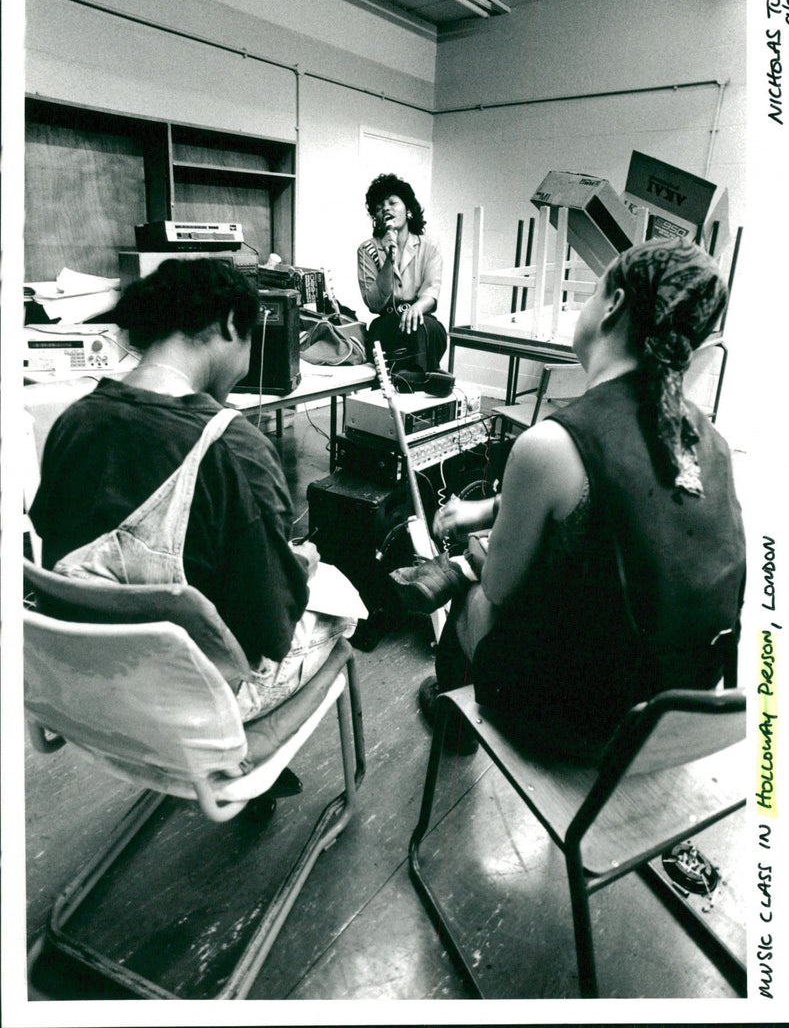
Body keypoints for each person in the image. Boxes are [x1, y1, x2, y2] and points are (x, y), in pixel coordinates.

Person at [392, 237, 746, 759]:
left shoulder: (549, 445)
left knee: (475, 595)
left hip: (587, 727)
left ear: (613, 305)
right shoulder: (707, 440)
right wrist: (489, 509)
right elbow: (620, 505)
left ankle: (454, 725)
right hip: (683, 719)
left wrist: (483, 553)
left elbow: (501, 589)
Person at [30, 257, 357, 729]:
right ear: (229, 323)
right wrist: (298, 568)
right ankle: (244, 765)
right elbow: (270, 631)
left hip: (83, 687)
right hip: (189, 706)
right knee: (340, 604)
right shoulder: (237, 448)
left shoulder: (73, 421)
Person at [357, 173, 448, 382]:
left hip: (421, 320)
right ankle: (426, 381)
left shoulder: (429, 246)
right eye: (379, 207)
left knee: (427, 328)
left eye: (392, 203)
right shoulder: (367, 249)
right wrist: (389, 258)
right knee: (406, 333)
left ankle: (411, 380)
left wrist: (417, 308)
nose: (386, 209)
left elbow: (431, 292)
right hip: (386, 325)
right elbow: (374, 303)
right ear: (376, 218)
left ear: (408, 211)